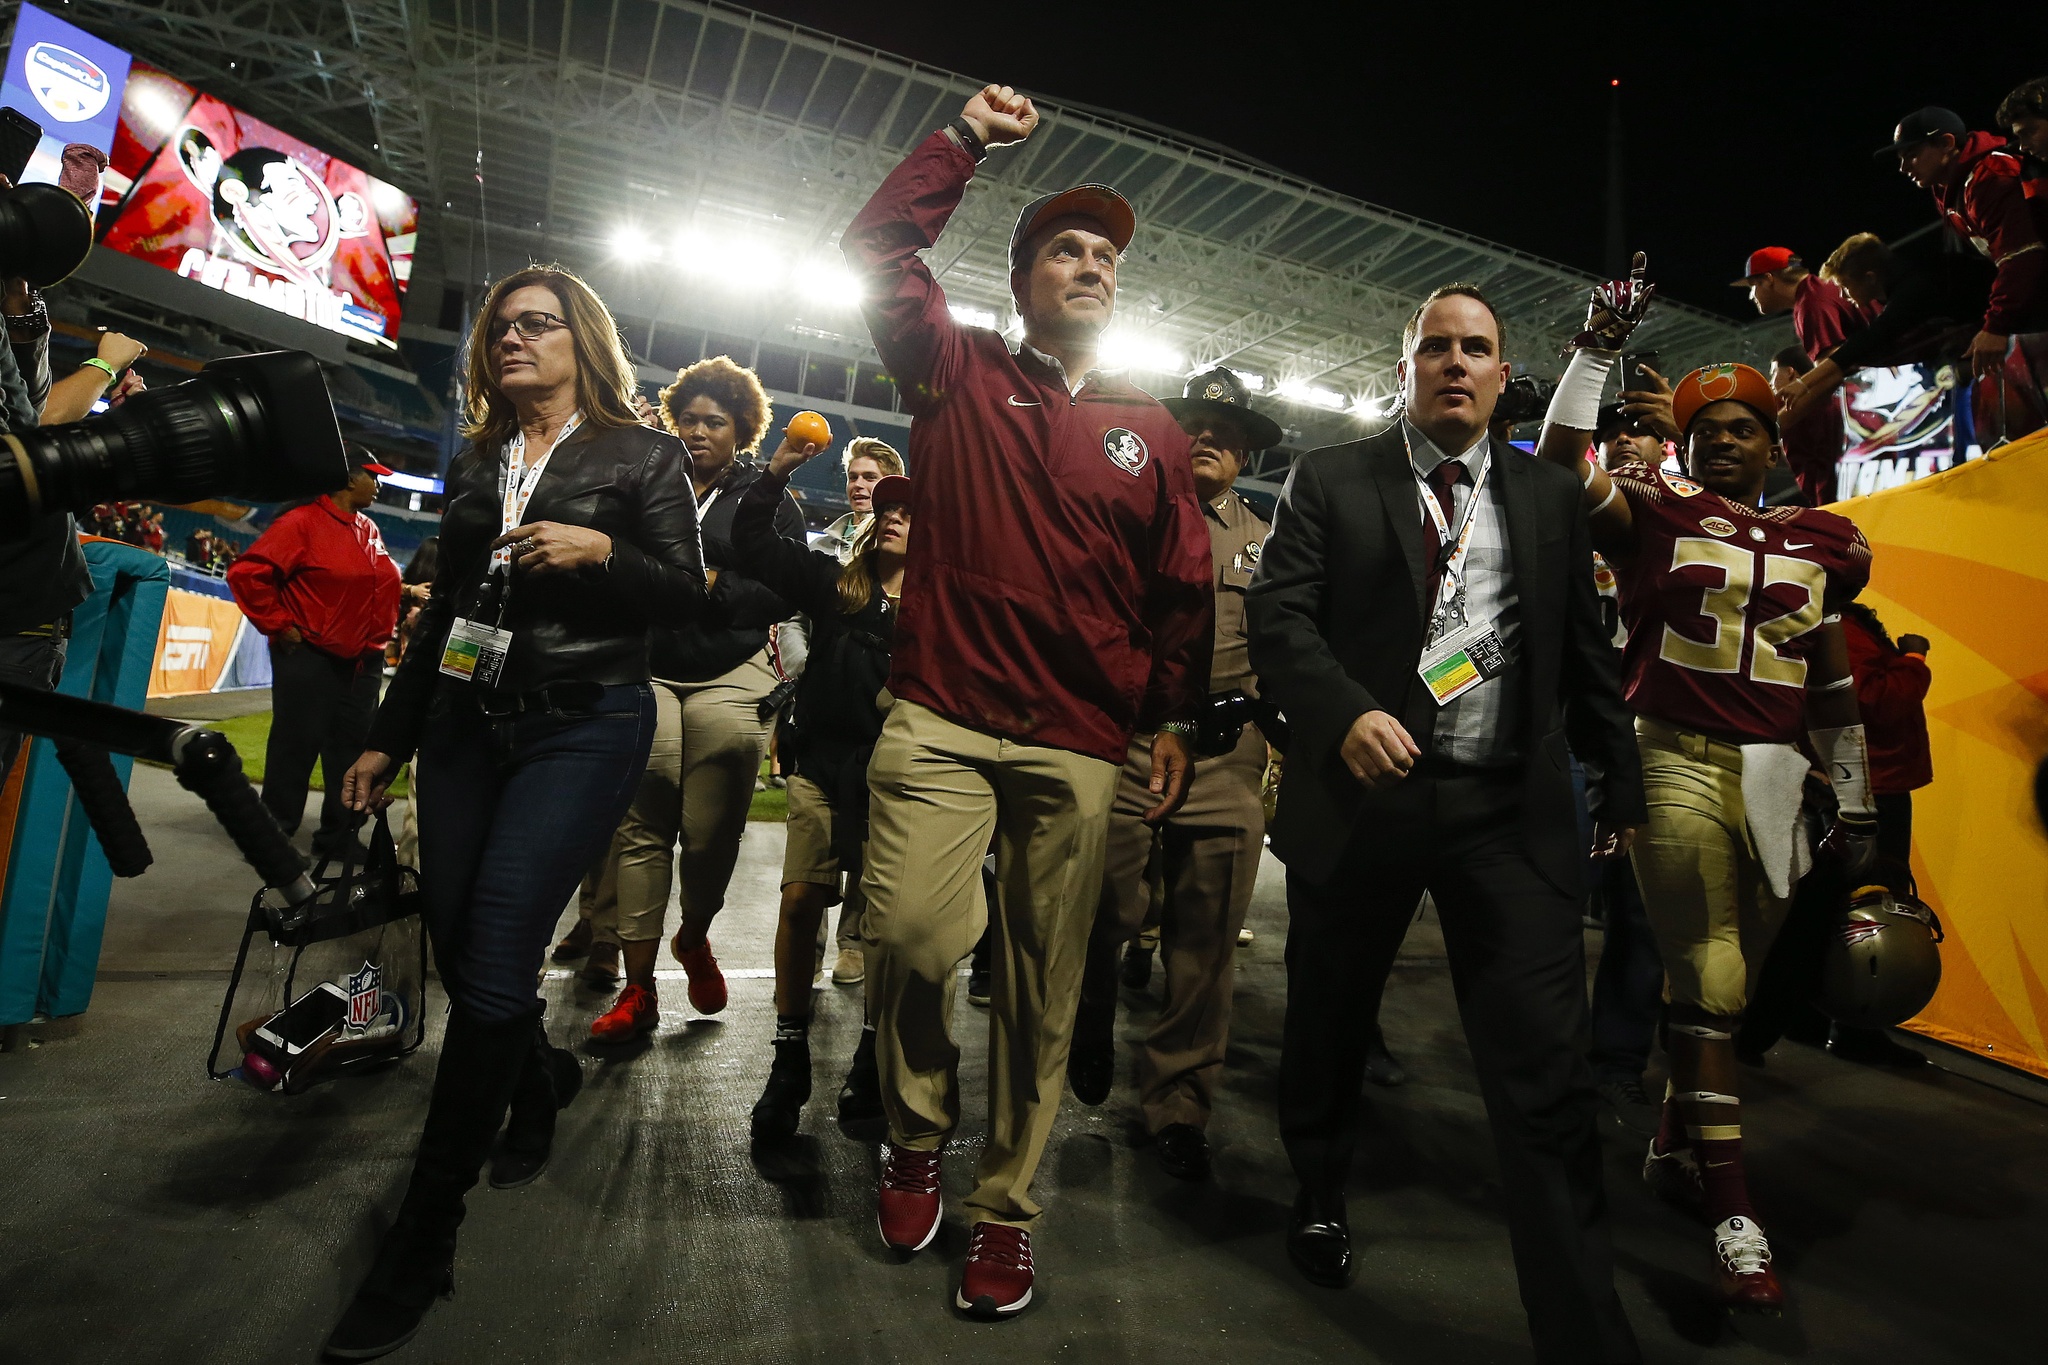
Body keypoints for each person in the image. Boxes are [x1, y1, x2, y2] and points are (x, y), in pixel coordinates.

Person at [842, 83, 1213, 1318]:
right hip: (941, 715)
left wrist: (1162, 722)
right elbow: (876, 249)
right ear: (1021, 279)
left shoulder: (1150, 431)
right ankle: (913, 1131)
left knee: (1046, 982)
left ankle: (1003, 1206)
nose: (1091, 265)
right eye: (1066, 247)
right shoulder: (950, 367)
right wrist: (958, 143)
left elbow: (1180, 593)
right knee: (906, 939)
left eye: (1105, 254)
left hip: (1075, 744)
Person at [1248, 281, 1645, 1364]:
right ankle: (1320, 1188)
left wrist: (1621, 781)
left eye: (1476, 350)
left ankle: (1580, 1328)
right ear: (1405, 368)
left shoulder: (1546, 499)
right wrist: (1343, 714)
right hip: (1365, 802)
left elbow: (1582, 650)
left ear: (1499, 372)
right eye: (1436, 349)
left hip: (1503, 813)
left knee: (1542, 1074)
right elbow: (1277, 617)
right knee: (1329, 1018)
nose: (1456, 365)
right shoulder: (1331, 480)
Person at [321, 264, 705, 1360]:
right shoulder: (482, 456)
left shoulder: (645, 453)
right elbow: (446, 603)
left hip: (582, 724)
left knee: (493, 965)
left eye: (535, 326)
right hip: (457, 724)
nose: (512, 343)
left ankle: (423, 1235)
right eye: (499, 331)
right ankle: (535, 1076)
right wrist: (388, 737)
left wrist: (604, 550)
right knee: (460, 950)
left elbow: (685, 597)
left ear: (583, 340)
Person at [1535, 262, 1879, 1315]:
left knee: (1723, 996)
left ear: (1774, 447)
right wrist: (1593, 349)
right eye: (1704, 429)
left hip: (1780, 779)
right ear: (1681, 445)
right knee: (1711, 977)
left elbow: (1830, 686)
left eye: (1741, 427)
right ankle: (1735, 1215)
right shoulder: (1651, 508)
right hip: (1672, 752)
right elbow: (1555, 464)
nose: (1721, 439)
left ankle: (1677, 1150)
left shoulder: (1818, 541)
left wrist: (1858, 805)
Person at [1069, 367, 1279, 1180]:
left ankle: (1180, 1102)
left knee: (1207, 941)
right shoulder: (1126, 520)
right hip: (1128, 740)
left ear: (1248, 450)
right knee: (1106, 902)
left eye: (1227, 432)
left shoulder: (1271, 542)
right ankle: (1090, 1001)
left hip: (1229, 753)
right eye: (1194, 423)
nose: (1207, 439)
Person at [578, 355, 806, 1042]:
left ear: (743, 430)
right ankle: (639, 988)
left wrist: (714, 587)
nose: (699, 431)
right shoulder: (645, 479)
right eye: (689, 419)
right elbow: (609, 557)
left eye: (716, 421)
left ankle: (696, 931)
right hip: (648, 659)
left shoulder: (768, 497)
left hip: (729, 666)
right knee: (646, 810)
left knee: (712, 821)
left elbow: (786, 587)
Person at [729, 437, 911, 1143]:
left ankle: (870, 1050)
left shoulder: (937, 610)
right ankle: (789, 1052)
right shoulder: (840, 584)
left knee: (882, 926)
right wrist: (776, 473)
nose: (892, 515)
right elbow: (751, 541)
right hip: (821, 763)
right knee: (802, 899)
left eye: (907, 508)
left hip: (894, 779)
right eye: (884, 507)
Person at [226, 452, 402, 860]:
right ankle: (273, 838)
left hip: (363, 663)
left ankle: (339, 837)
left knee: (352, 753)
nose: (378, 485)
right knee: (295, 748)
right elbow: (246, 574)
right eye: (372, 477)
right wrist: (279, 623)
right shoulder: (301, 522)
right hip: (312, 657)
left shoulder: (368, 526)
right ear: (346, 479)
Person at [1879, 106, 2048, 379]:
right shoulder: (1946, 190)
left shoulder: (1990, 175)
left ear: (1947, 143)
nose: (1903, 167)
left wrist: (1995, 326)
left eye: (1912, 154)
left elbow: (2021, 255)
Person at [1777, 231, 1996, 432]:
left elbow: (1871, 339)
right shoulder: (1907, 275)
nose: (1843, 296)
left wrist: (1804, 383)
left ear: (1870, 278)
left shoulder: (1912, 288)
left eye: (1845, 287)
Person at [1731, 245, 1874, 360]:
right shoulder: (1817, 289)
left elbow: (1832, 368)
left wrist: (1799, 388)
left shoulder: (1810, 303)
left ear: (1768, 280)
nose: (1751, 296)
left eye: (1753, 286)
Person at [813, 435, 904, 563]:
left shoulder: (904, 552)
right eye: (853, 477)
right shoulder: (818, 548)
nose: (857, 484)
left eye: (870, 477)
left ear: (891, 486)